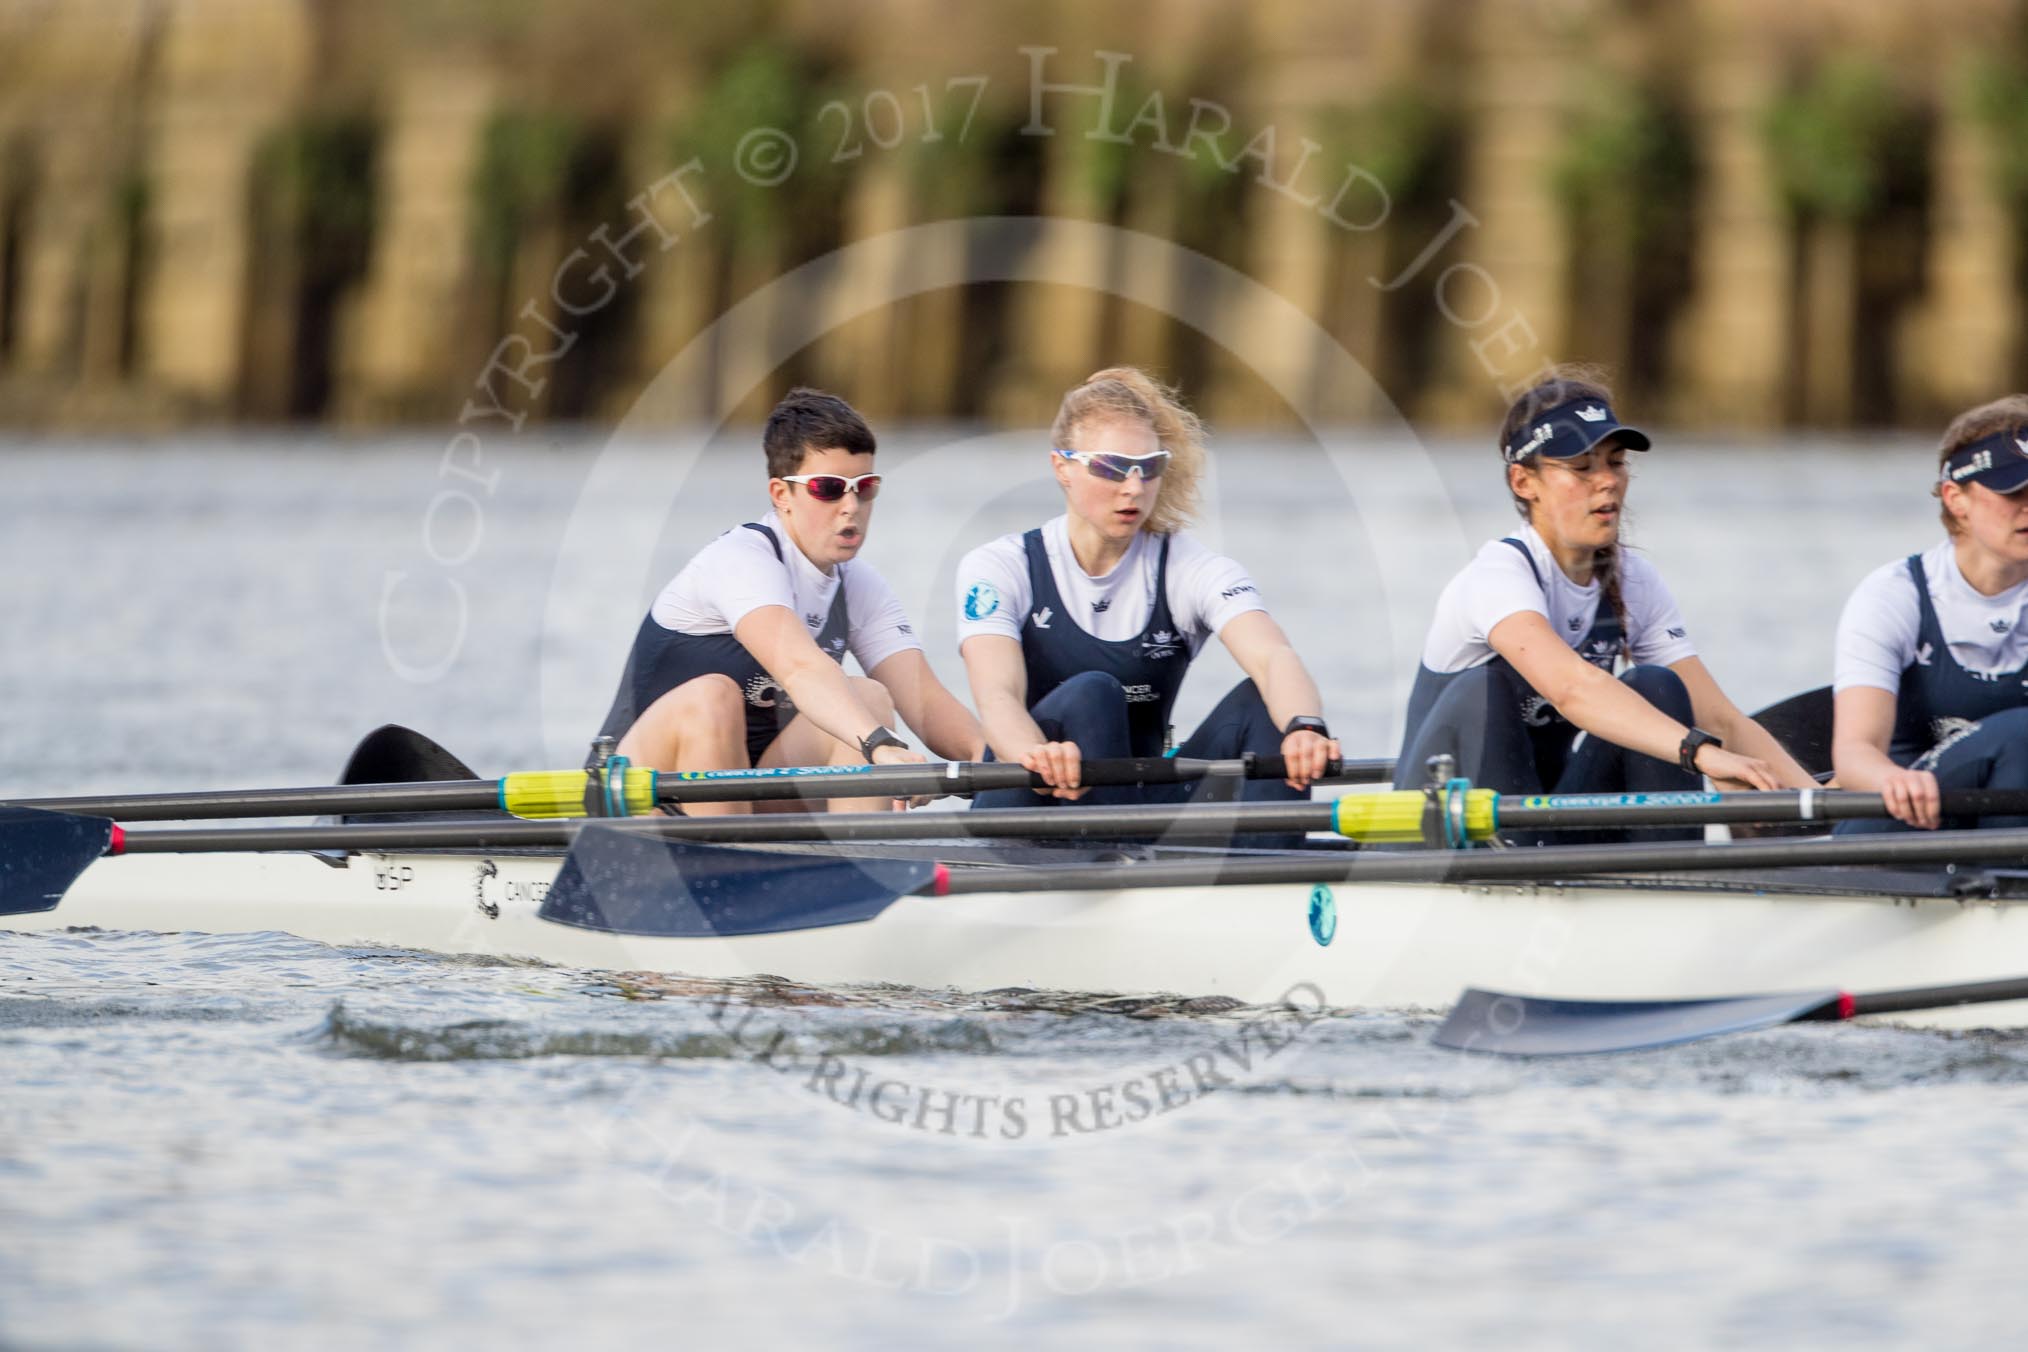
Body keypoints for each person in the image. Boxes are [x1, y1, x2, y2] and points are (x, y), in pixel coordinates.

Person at [1395, 367, 1813, 828]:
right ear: (1523, 482)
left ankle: (1671, 870)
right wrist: (1702, 755)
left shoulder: (1632, 579)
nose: (1608, 481)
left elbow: (1723, 721)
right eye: (1581, 468)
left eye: (1615, 462)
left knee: (1656, 686)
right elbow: (1573, 689)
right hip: (1441, 840)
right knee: (1484, 689)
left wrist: (1821, 800)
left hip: (1540, 828)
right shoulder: (1497, 576)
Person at [955, 366, 1341, 820]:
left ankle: (1272, 869)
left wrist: (1305, 728)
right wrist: (1036, 755)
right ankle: (1123, 859)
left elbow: (1272, 655)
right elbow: (997, 696)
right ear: (1062, 467)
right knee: (1092, 693)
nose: (1134, 488)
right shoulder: (1000, 566)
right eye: (1111, 468)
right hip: (1027, 798)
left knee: (1268, 703)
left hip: (1137, 806)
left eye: (1149, 467)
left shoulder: (1190, 568)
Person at [596, 388, 982, 815]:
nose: (851, 506)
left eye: (865, 487)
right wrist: (881, 747)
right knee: (713, 697)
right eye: (828, 488)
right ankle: (725, 863)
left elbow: (926, 703)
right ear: (781, 495)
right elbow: (800, 668)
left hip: (749, 790)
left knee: (869, 698)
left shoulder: (859, 586)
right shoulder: (740, 559)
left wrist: (1008, 761)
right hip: (637, 792)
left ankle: (861, 866)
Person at [1831, 395, 2028, 832]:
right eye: (2014, 491)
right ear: (1956, 498)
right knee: (2021, 734)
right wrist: (1896, 782)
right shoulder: (1894, 595)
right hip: (1893, 824)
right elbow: (1854, 754)